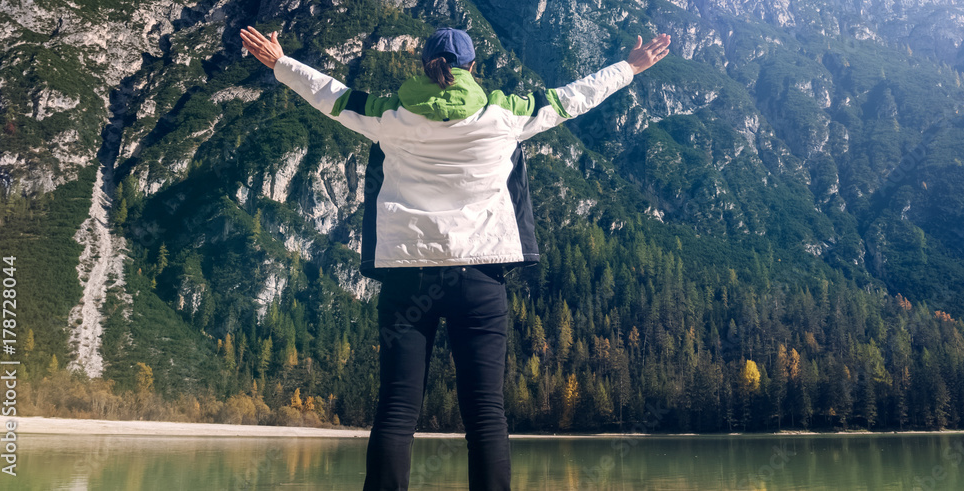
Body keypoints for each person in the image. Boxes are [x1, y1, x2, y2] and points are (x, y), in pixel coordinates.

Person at [240, 25, 671, 491]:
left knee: (398, 408)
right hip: (479, 278)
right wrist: (630, 67)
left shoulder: (390, 114)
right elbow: (572, 98)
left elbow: (332, 94)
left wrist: (281, 64)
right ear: (472, 68)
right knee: (485, 412)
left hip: (408, 276)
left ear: (424, 65)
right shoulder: (505, 114)